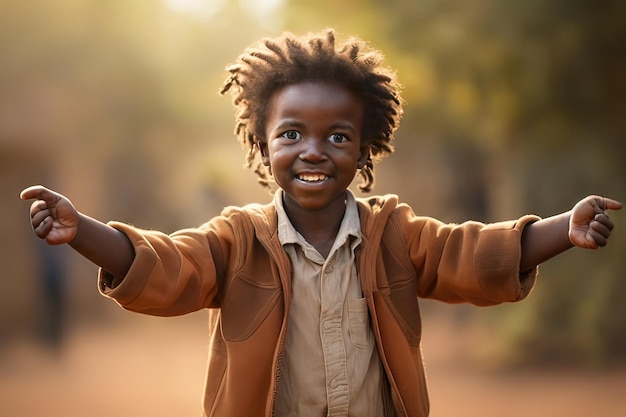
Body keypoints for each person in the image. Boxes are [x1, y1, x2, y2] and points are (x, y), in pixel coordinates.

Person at [20, 29, 621, 417]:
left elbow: (468, 254)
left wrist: (561, 228)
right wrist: (86, 231)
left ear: (363, 152)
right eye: (291, 134)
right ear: (261, 143)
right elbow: (168, 268)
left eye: (338, 136)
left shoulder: (394, 233)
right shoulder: (237, 239)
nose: (313, 150)